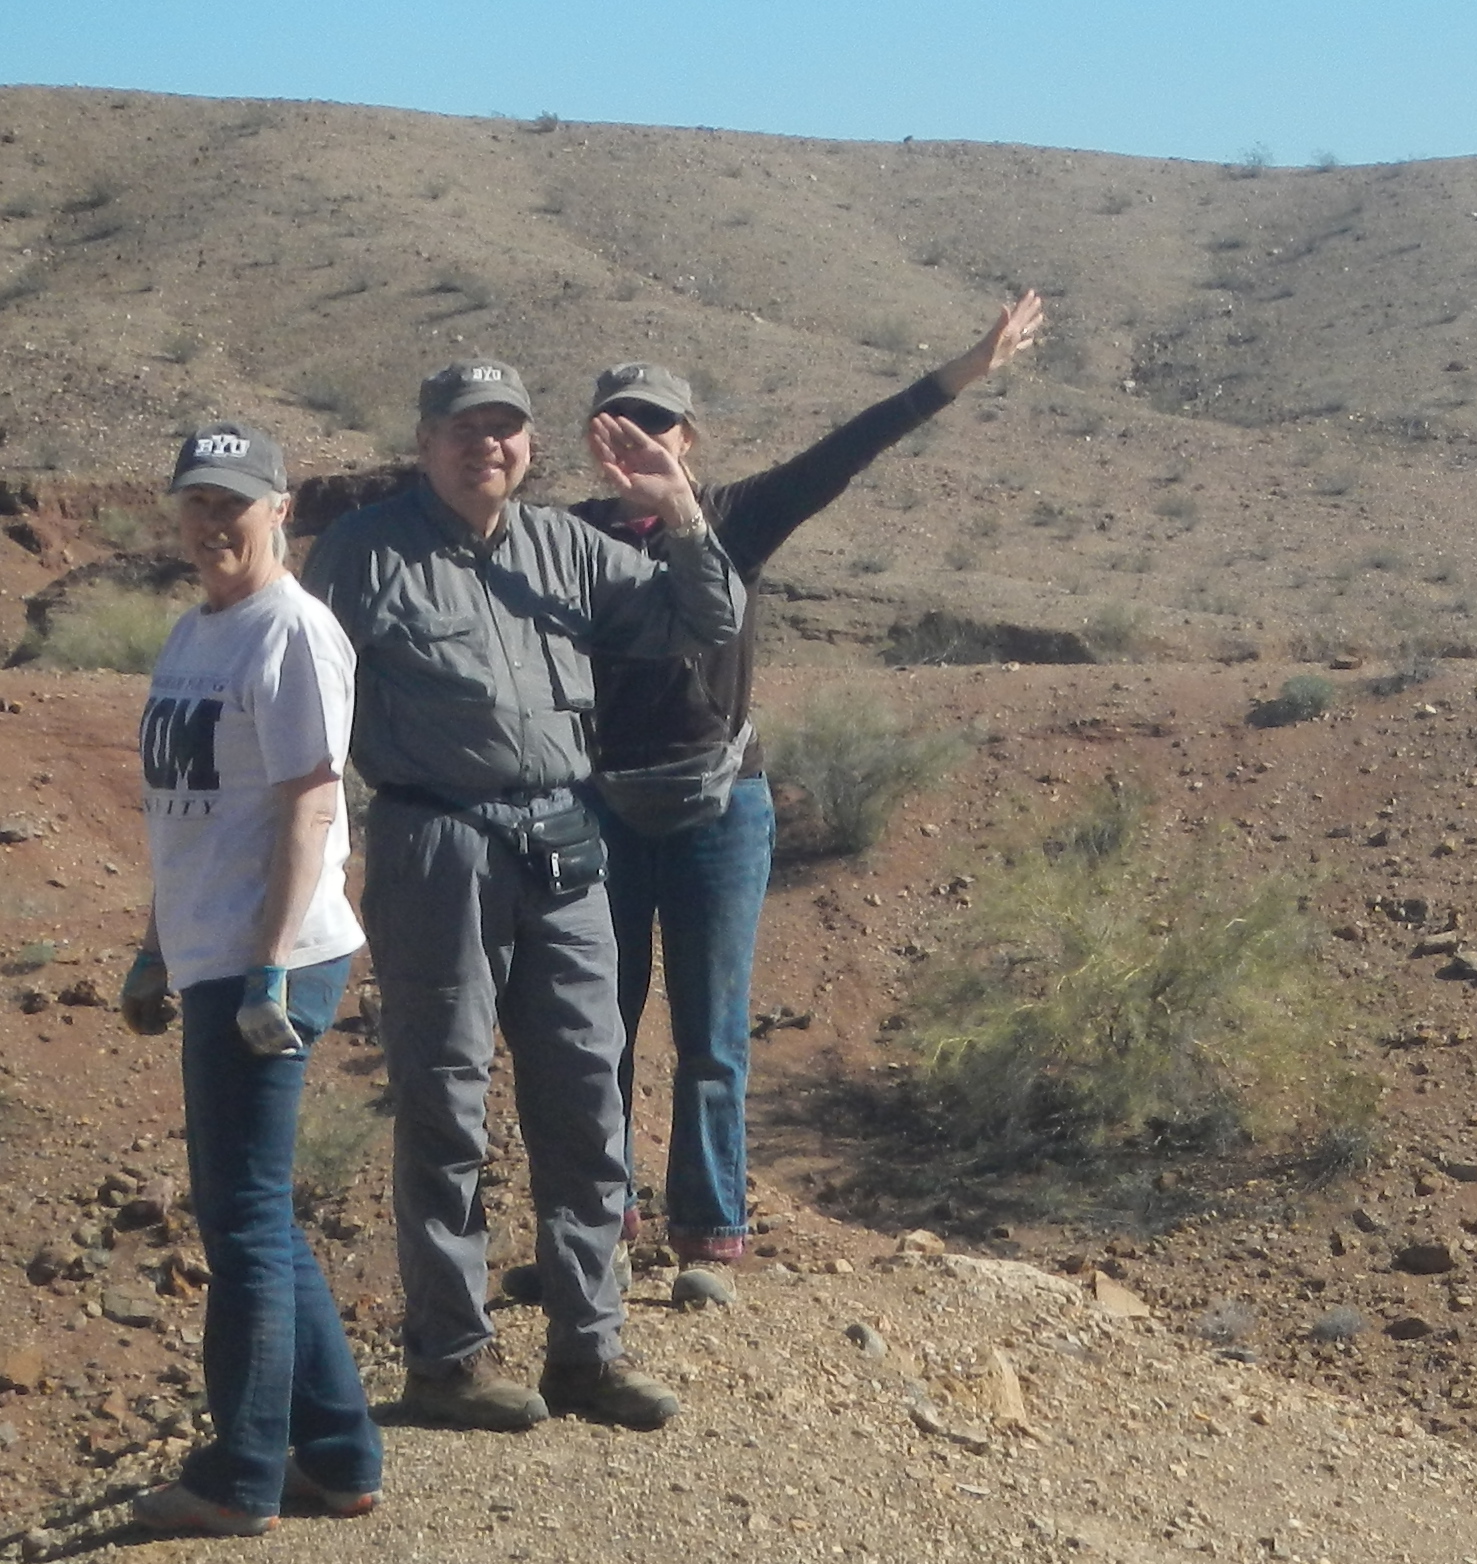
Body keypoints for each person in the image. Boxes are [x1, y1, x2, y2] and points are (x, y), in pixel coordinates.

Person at [306, 361, 742, 1432]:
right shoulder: (364, 552)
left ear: (529, 446)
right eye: (464, 429)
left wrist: (677, 505)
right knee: (445, 1099)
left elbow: (707, 618)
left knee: (588, 1091)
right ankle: (448, 1361)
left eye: (505, 429)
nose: (486, 447)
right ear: (425, 443)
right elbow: (302, 700)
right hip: (435, 842)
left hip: (563, 839)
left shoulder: (566, 547)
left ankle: (588, 1351)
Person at [578, 290, 1046, 1265]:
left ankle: (709, 1235)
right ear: (594, 438)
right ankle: (599, 1224)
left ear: (689, 438)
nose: (641, 440)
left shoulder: (737, 518)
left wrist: (966, 370)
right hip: (605, 809)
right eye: (621, 422)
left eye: (658, 424)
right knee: (596, 1027)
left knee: (711, 1037)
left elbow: (851, 447)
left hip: (720, 809)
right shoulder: (568, 538)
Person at [118, 425, 384, 1536]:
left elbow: (311, 803)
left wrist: (268, 966)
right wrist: (155, 945)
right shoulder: (195, 633)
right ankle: (339, 1454)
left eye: (234, 502)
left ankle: (241, 1476)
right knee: (255, 1213)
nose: (213, 522)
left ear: (280, 509)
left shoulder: (294, 630)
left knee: (241, 1224)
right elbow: (185, 810)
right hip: (213, 948)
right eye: (197, 502)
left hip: (272, 958)